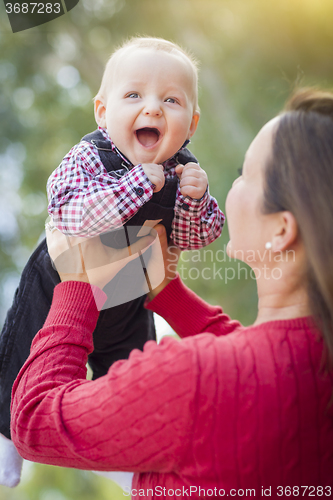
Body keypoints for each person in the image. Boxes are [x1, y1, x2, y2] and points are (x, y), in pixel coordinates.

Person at [11, 88, 333, 498]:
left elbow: (35, 421)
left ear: (282, 230)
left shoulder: (192, 380)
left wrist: (77, 284)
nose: (231, 186)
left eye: (242, 174)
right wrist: (165, 291)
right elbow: (261, 366)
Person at [0, 36, 224, 453]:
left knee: (132, 371)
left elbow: (195, 238)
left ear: (191, 124)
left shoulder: (185, 171)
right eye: (135, 95)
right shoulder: (89, 156)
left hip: (130, 288)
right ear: (104, 113)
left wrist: (196, 201)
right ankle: (5, 438)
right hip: (61, 285)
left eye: (171, 101)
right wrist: (135, 186)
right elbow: (68, 216)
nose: (153, 107)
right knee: (23, 354)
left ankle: (129, 450)